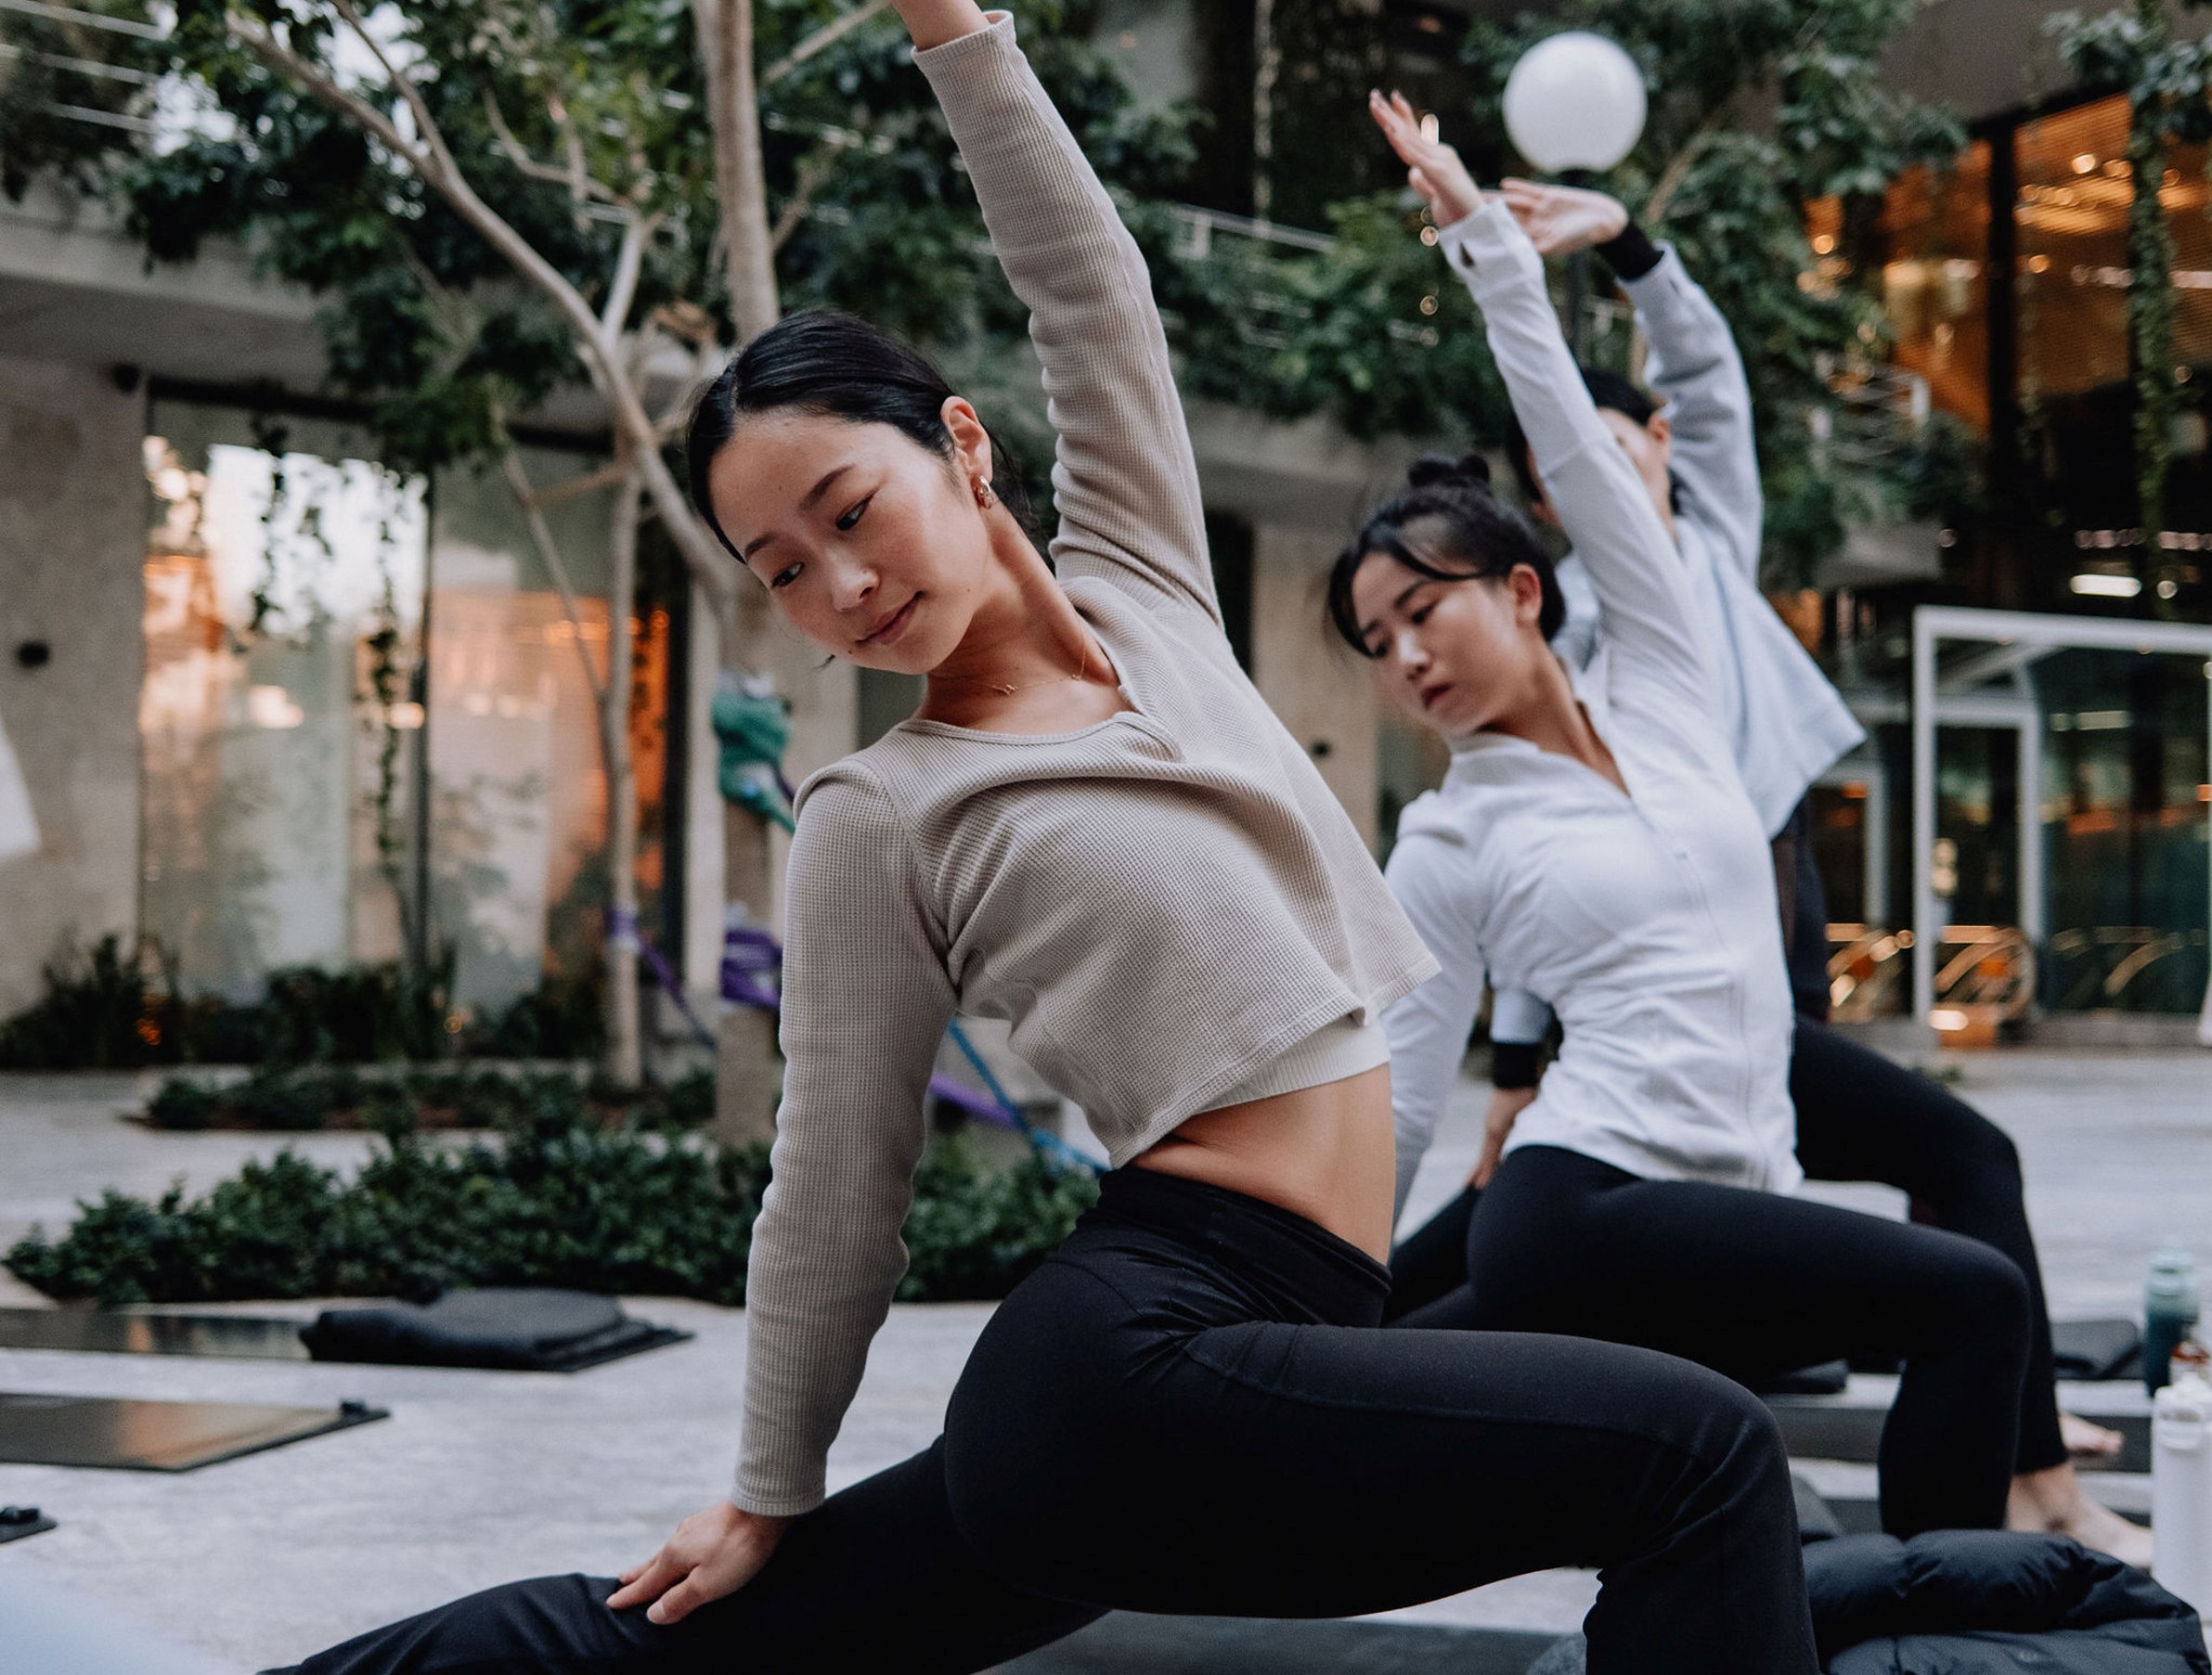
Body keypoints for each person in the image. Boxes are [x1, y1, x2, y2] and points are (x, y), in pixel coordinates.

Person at [259, 13, 1819, 1673]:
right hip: (1146, 1353)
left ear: (963, 446)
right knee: (1701, 1457)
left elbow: (1092, 289)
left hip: (1237, 1345)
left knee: (692, 1660)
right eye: (782, 569)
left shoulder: (1145, 585)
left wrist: (958, 36)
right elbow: (836, 1186)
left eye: (850, 512)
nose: (841, 589)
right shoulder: (882, 814)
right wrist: (765, 1481)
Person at [1392, 174, 2147, 1565]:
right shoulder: (1590, 646)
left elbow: (1707, 378)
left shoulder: (1712, 553)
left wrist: (1624, 240)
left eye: (1629, 450)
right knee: (1930, 1171)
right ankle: (2025, 1479)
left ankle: (1359, 1323)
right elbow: (1531, 878)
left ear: (1665, 451)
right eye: (1573, 471)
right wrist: (1512, 1069)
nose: (1605, 480)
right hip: (1675, 983)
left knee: (1923, 1177)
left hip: (1769, 940)